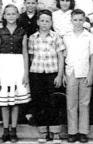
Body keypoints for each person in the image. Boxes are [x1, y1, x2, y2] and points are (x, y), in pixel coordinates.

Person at [0, 4, 31, 143]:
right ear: (4, 16)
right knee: (4, 102)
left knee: (15, 101)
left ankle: (14, 130)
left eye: (13, 14)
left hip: (18, 65)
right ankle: (5, 131)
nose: (11, 16)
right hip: (3, 65)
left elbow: (25, 53)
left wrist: (26, 73)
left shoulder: (22, 32)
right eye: (8, 14)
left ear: (18, 15)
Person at [28, 10, 65, 144]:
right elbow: (31, 57)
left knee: (53, 102)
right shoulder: (32, 38)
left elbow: (60, 57)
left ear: (51, 23)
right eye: (42, 20)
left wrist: (60, 75)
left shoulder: (56, 37)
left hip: (52, 73)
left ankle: (55, 133)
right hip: (37, 73)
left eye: (47, 21)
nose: (44, 23)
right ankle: (44, 132)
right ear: (37, 22)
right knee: (40, 102)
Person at [63, 9, 93, 143]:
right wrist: (64, 74)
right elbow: (63, 55)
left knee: (84, 103)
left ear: (84, 21)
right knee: (71, 103)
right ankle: (72, 132)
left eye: (80, 20)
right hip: (71, 71)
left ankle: (83, 132)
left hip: (85, 72)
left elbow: (92, 56)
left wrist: (91, 74)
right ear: (71, 20)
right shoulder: (66, 36)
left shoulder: (89, 36)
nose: (78, 22)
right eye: (75, 20)